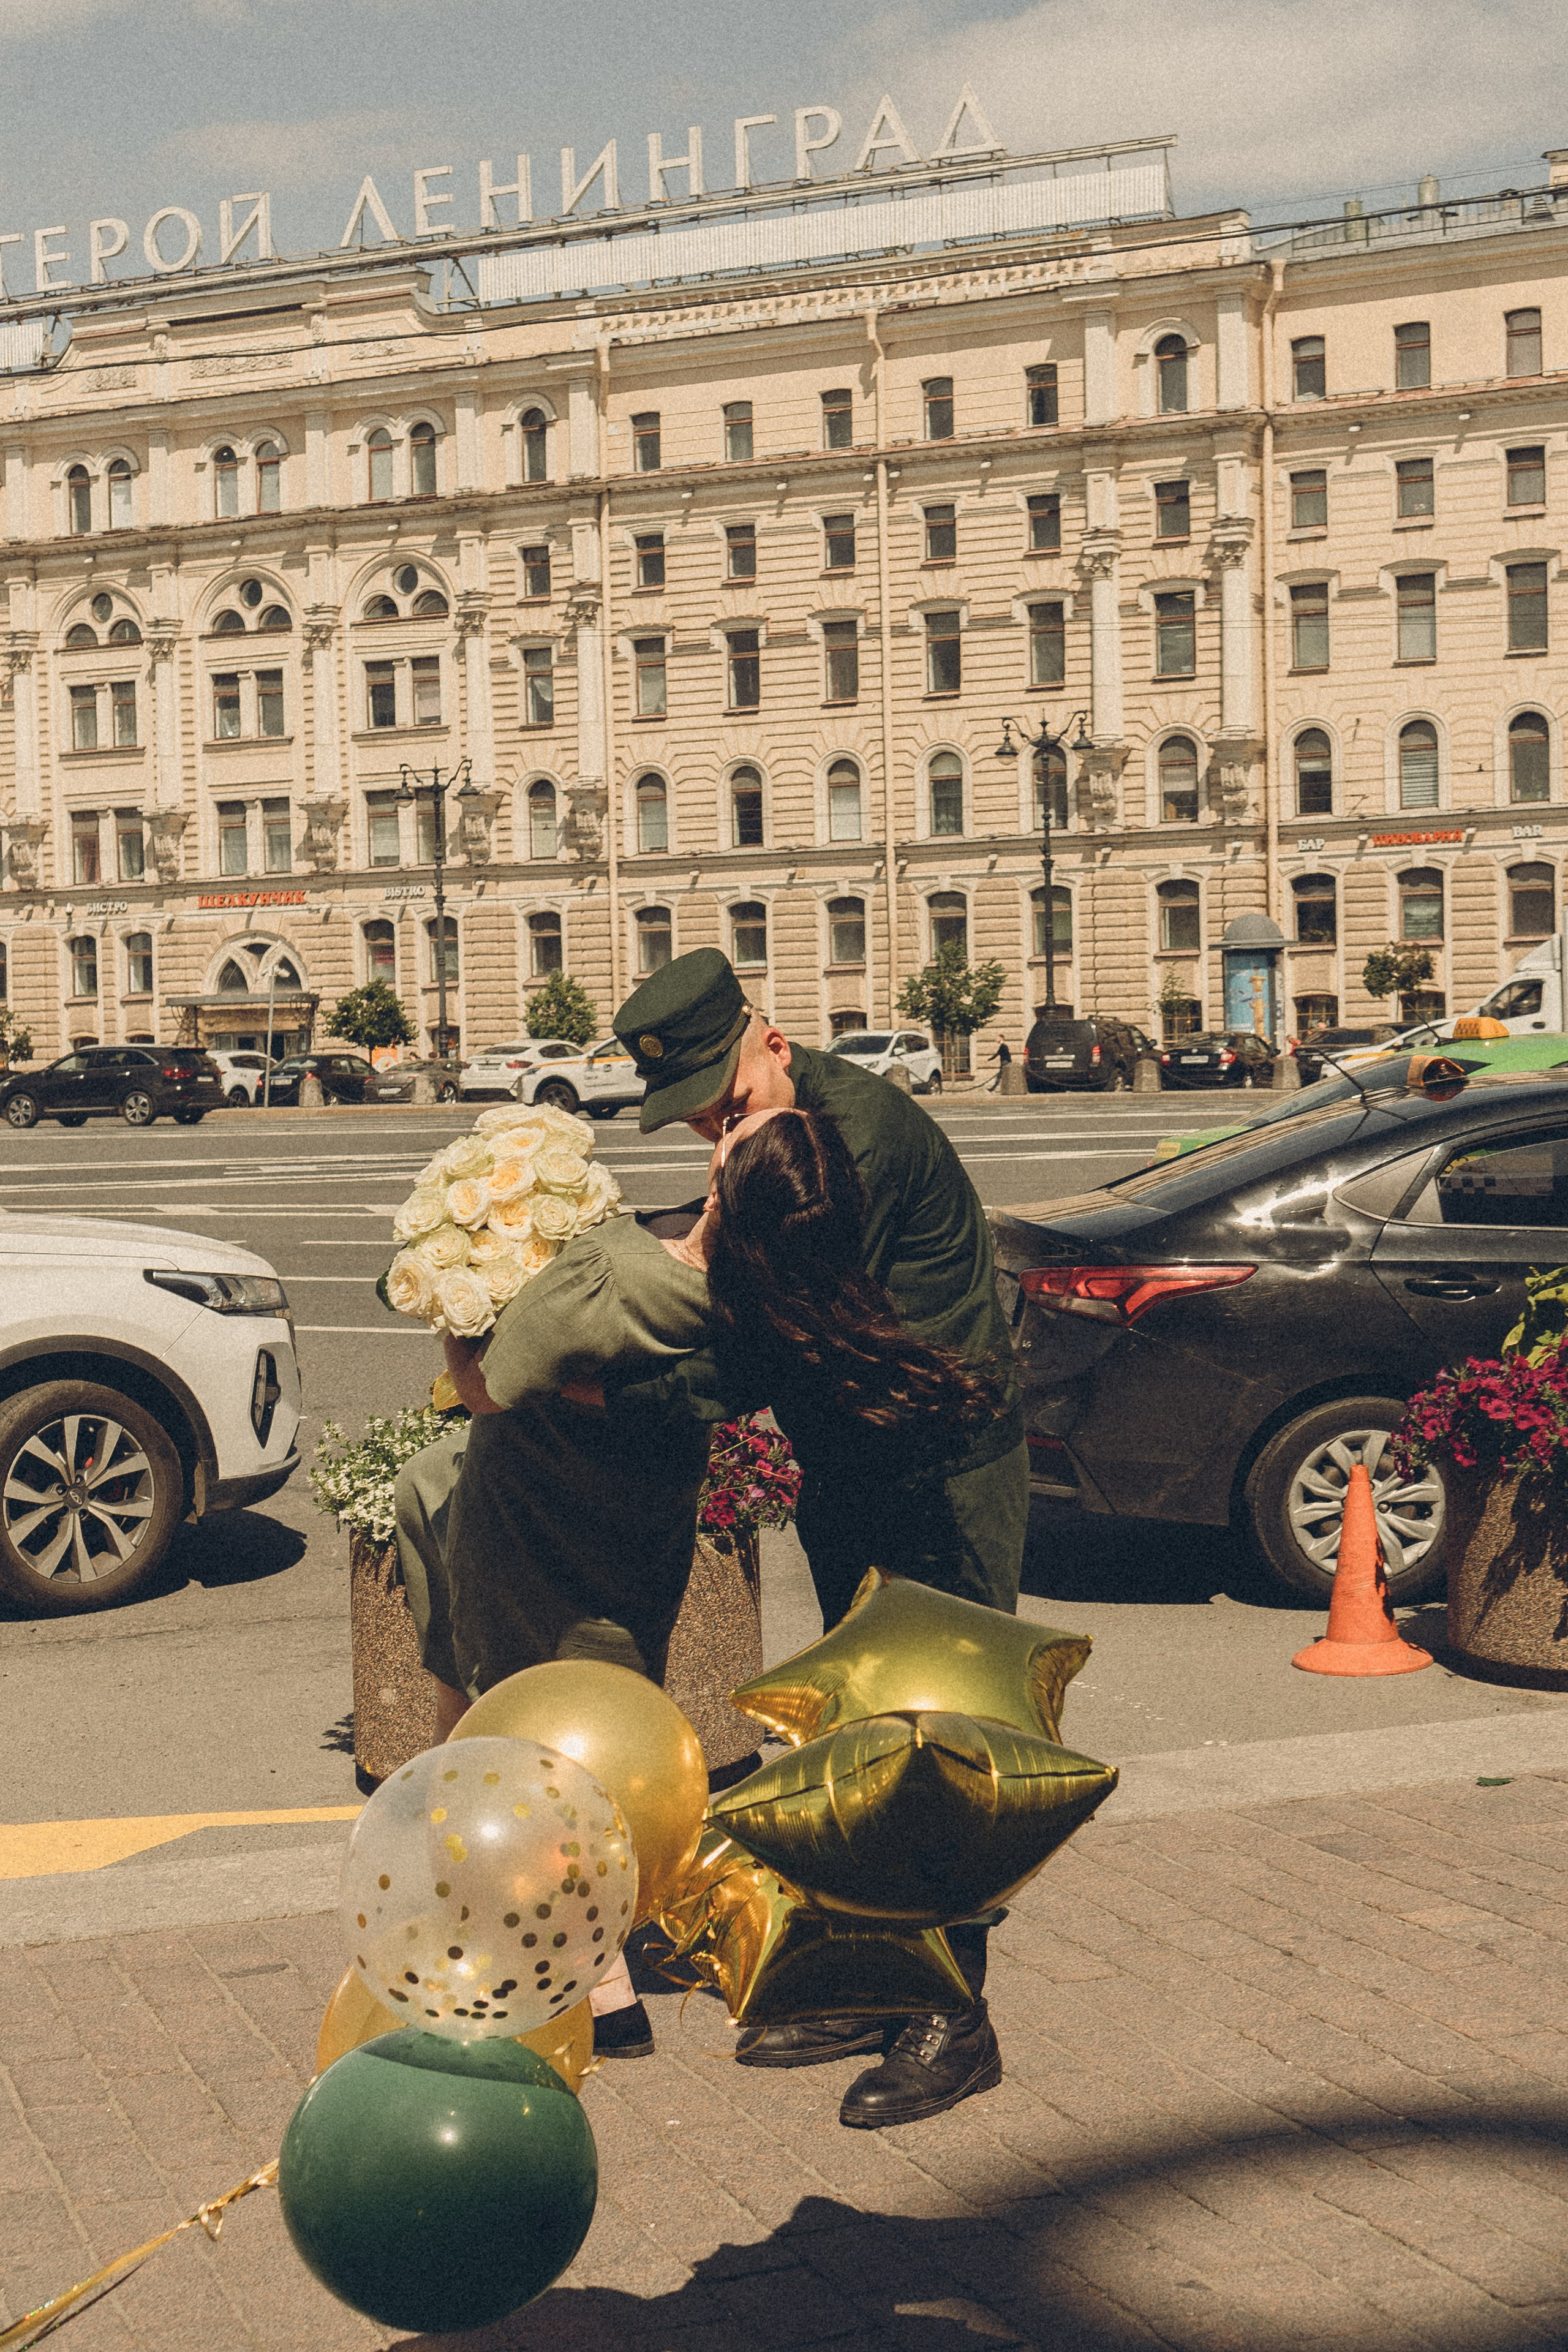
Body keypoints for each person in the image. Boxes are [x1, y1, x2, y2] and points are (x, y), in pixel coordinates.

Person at [393, 1104, 990, 2073]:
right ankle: (567, 1958)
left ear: (720, 1180)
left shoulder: (605, 1276)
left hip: (531, 1526)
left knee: (526, 1737)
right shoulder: (752, 1313)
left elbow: (485, 1389)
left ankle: (581, 1985)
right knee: (601, 1724)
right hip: (638, 1538)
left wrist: (452, 1322)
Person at [609, 948, 1029, 2127]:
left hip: (945, 1471)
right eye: (700, 1124)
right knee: (858, 1726)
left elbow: (758, 1343)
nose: (721, 1139)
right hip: (857, 1457)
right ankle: (870, 1985)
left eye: (730, 1107)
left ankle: (958, 2020)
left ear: (775, 1042)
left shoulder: (862, 1147)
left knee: (946, 1746)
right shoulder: (781, 1141)